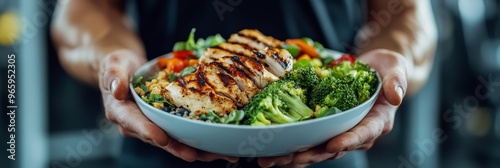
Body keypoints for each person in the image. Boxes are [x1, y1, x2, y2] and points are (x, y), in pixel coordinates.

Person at [51, 0, 437, 167]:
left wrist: (392, 63)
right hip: (159, 144)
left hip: (330, 145)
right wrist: (112, 59)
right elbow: (80, 13)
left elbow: (406, 12)